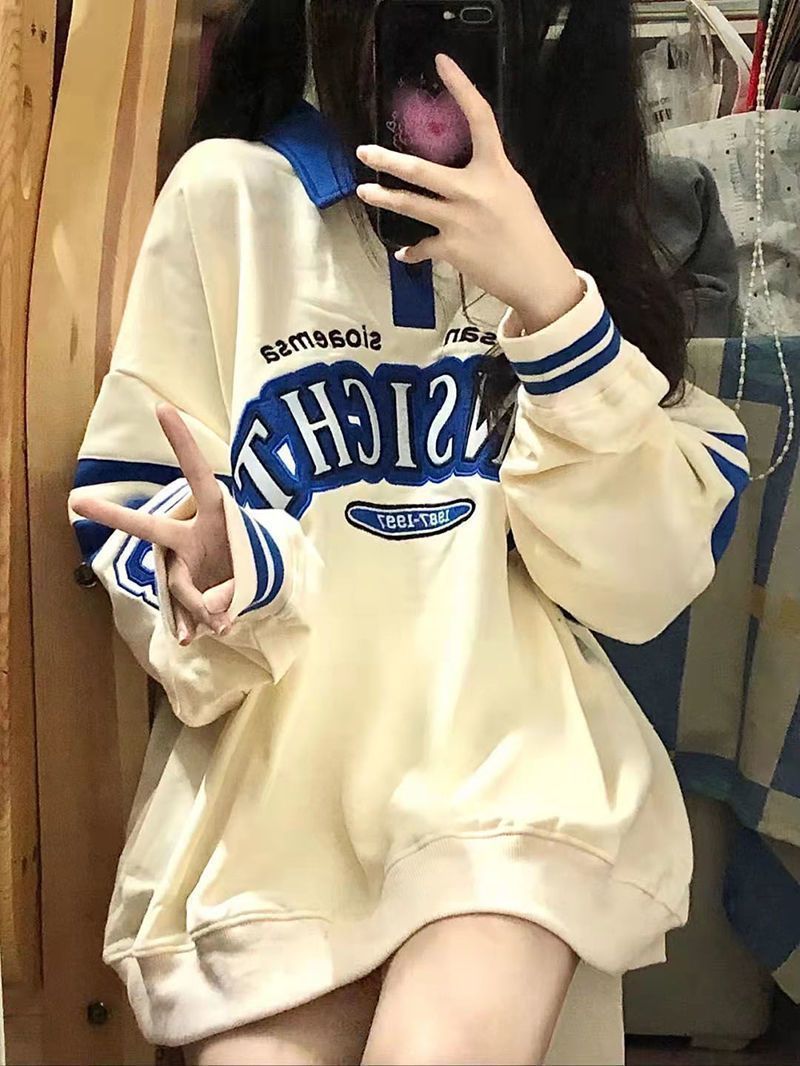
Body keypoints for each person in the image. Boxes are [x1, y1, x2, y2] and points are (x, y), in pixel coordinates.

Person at [68, 1, 750, 1063]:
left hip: (514, 778)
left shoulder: (575, 217)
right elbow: (142, 490)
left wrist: (551, 303)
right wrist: (216, 572)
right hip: (276, 801)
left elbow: (640, 581)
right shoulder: (229, 197)